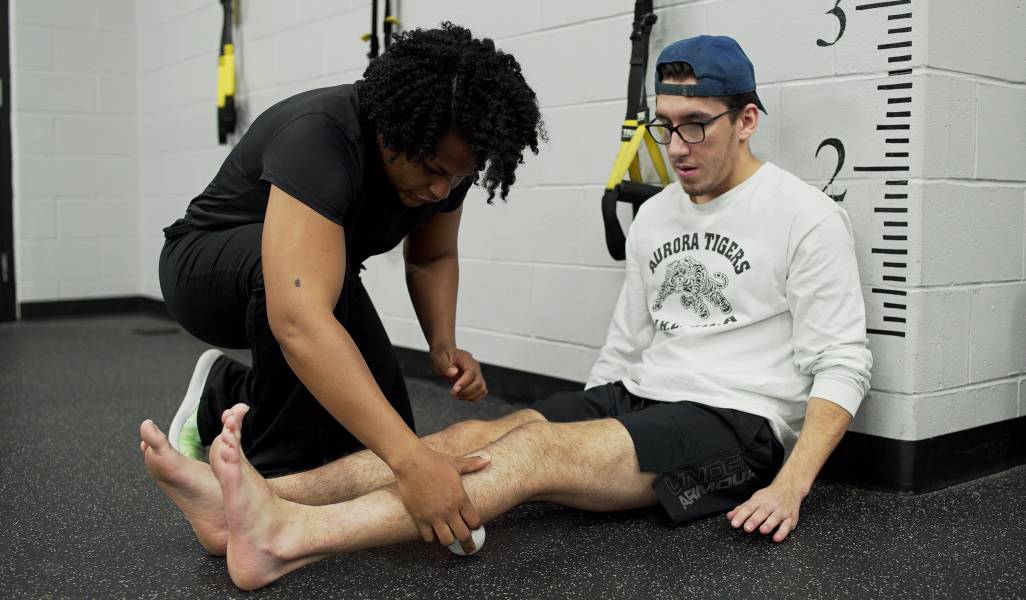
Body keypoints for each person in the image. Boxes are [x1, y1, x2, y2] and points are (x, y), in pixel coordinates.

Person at [140, 34, 872, 589]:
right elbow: (627, 346)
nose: (677, 147)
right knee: (468, 437)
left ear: (746, 120)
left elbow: (842, 360)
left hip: (735, 423)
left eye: (697, 126)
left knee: (525, 455)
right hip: (639, 395)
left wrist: (791, 481)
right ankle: (249, 499)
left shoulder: (804, 216)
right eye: (665, 125)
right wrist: (592, 411)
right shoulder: (657, 217)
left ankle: (285, 533)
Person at [151, 22, 544, 552]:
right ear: (394, 130)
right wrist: (409, 460)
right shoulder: (320, 134)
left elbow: (432, 255)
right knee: (389, 445)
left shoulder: (448, 160)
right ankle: (257, 495)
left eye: (456, 178)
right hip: (204, 269)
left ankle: (223, 396)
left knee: (373, 435)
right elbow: (299, 320)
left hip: (315, 286)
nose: (440, 190)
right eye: (432, 170)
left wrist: (442, 343)